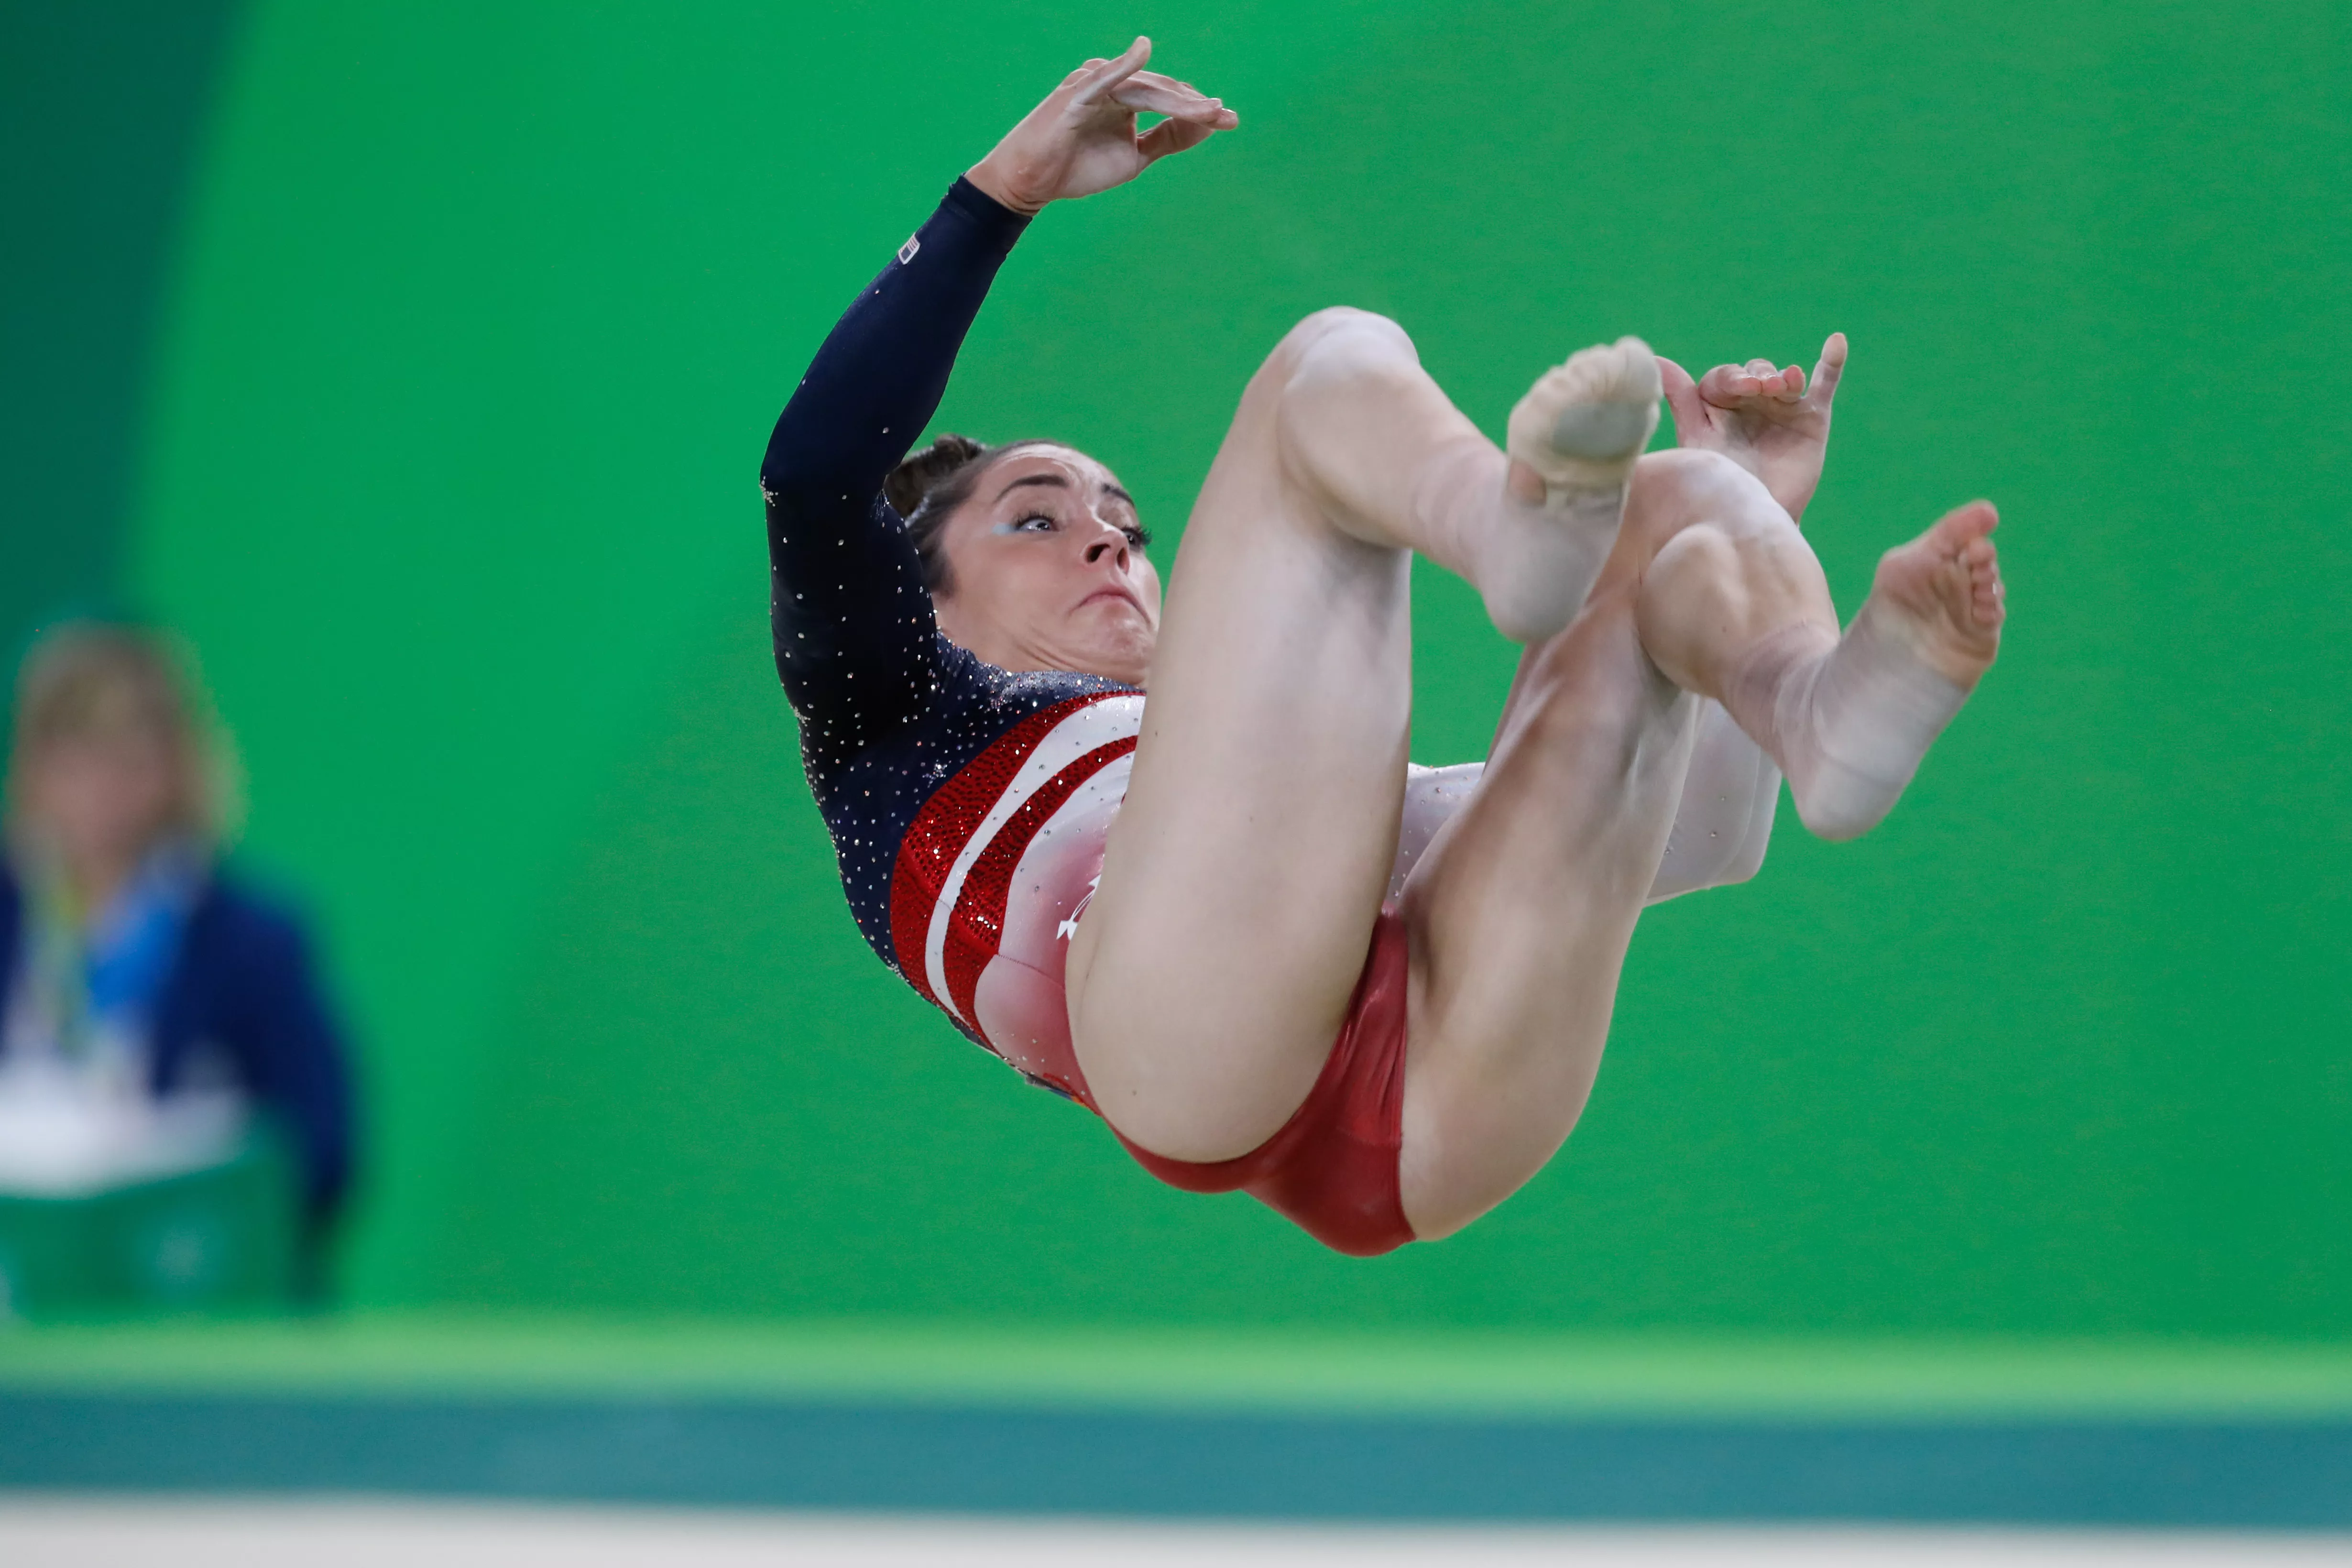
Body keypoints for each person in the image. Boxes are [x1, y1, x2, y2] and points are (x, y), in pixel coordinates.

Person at [760, 40, 2003, 1256]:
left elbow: (1702, 838)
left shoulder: (1264, 799)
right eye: (1035, 515)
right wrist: (998, 195)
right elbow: (814, 474)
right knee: (1325, 357)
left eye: (1124, 525)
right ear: (912, 595)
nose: (1104, 540)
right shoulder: (895, 710)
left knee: (1679, 502)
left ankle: (1816, 707)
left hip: (1432, 1112)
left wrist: (1749, 518)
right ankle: (1509, 530)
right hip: (1187, 1051)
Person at [0, 624, 355, 1283]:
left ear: (174, 767)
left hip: (179, 1299)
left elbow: (324, 1153)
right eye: (75, 754)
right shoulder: (13, 920)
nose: (100, 788)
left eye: (126, 757)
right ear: (33, 767)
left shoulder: (252, 943)